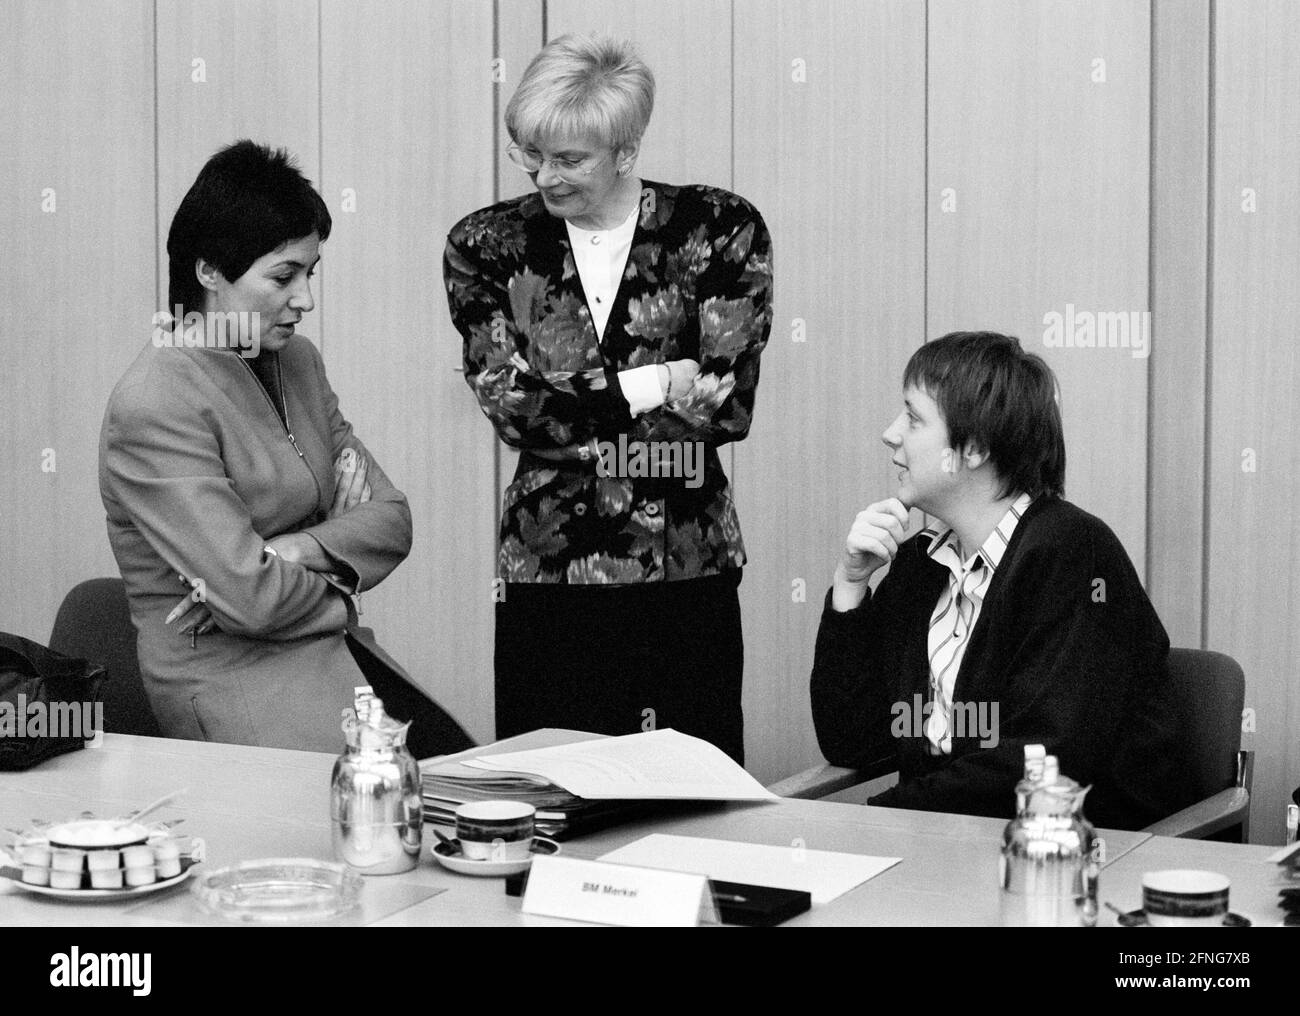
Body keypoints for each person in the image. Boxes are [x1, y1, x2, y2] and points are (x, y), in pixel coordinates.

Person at [443, 35, 772, 763]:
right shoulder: (489, 243)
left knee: (692, 804)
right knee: (550, 796)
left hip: (685, 562)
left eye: (568, 159)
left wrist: (564, 416)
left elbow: (726, 406)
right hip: (549, 567)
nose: (543, 176)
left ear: (626, 150)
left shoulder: (718, 229)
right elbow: (508, 404)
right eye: (528, 153)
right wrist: (653, 383)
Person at [99, 140, 471, 757]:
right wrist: (343, 576)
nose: (306, 299)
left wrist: (298, 548)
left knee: (463, 781)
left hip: (333, 658)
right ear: (209, 271)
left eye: (309, 273)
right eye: (283, 276)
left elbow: (392, 518)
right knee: (393, 815)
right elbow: (250, 598)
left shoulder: (296, 361)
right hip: (233, 681)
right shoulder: (155, 402)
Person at [810, 331, 1191, 830]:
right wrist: (850, 585)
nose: (890, 433)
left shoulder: (1073, 553)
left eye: (913, 417)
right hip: (948, 847)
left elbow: (1044, 761)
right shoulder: (921, 567)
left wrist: (883, 820)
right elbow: (854, 740)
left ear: (974, 448)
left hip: (1076, 859)